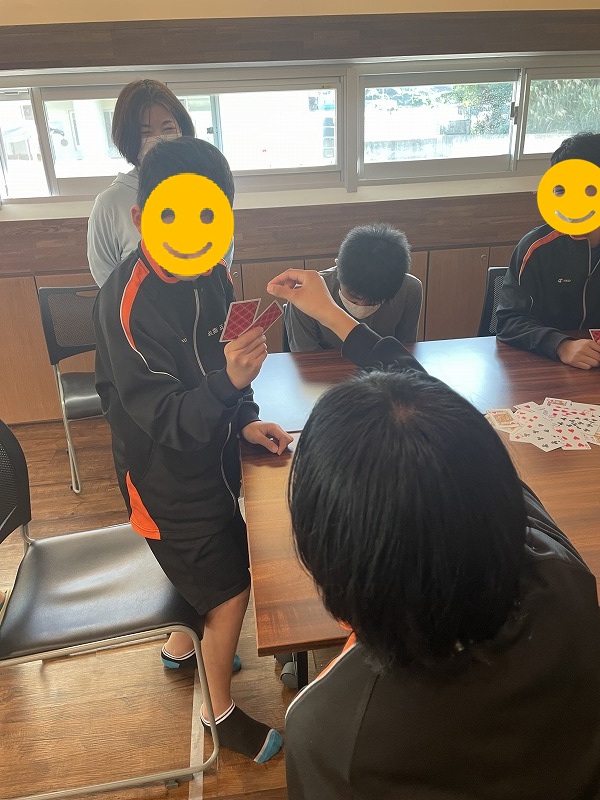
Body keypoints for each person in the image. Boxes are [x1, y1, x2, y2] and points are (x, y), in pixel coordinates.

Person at [267, 269, 600, 799]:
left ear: (327, 556)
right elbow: (447, 433)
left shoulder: (334, 730)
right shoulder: (561, 575)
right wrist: (332, 315)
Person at [94, 136, 292, 763]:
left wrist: (244, 419)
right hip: (162, 476)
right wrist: (229, 385)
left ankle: (185, 646)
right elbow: (163, 417)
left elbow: (220, 364)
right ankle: (220, 713)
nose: (194, 237)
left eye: (209, 217)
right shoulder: (125, 302)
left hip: (213, 454)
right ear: (140, 218)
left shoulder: (215, 275)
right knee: (231, 585)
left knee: (217, 560)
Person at [87, 79, 233, 287]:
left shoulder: (207, 187)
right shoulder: (110, 202)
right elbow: (106, 276)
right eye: (145, 132)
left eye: (168, 128)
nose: (160, 139)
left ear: (182, 129)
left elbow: (222, 252)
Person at [496, 132, 600, 369]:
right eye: (561, 190)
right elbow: (509, 321)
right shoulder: (536, 247)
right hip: (545, 366)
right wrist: (561, 345)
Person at [284, 223, 422, 351]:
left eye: (374, 302)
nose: (362, 305)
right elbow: (305, 361)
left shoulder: (410, 290)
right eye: (353, 297)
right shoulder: (304, 296)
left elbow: (404, 351)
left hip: (384, 367)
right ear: (338, 266)